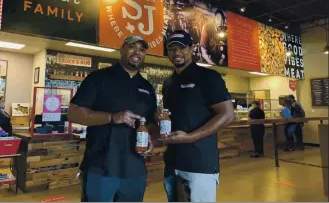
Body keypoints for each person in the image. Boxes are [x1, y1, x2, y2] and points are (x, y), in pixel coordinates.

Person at [67, 36, 157, 202]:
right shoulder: (98, 78)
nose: (137, 52)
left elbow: (150, 122)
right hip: (101, 167)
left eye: (142, 49)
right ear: (121, 50)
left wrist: (151, 136)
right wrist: (112, 117)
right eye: (132, 46)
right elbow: (73, 113)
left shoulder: (147, 88)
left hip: (135, 170)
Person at [156, 30, 235, 202]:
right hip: (172, 162)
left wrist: (190, 137)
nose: (176, 52)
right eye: (172, 48)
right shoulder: (169, 83)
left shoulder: (208, 77)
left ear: (191, 48)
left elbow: (228, 115)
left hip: (199, 164)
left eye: (181, 47)